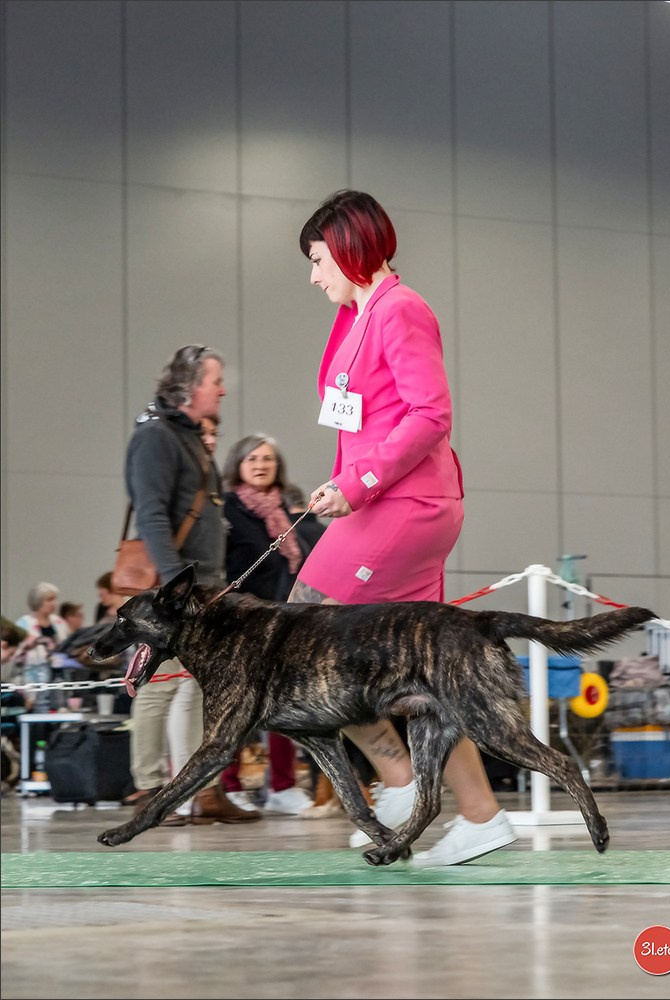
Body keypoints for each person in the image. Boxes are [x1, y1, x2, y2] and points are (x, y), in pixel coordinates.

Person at [288, 190, 518, 866]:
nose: (313, 274)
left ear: (352, 249)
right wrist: (343, 484)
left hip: (405, 506)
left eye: (318, 258)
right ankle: (480, 817)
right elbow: (358, 418)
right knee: (414, 669)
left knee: (303, 637)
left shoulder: (400, 309)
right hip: (386, 503)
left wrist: (357, 486)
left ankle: (400, 780)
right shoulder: (357, 314)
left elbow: (429, 414)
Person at [124, 344, 257, 825]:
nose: (222, 389)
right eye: (215, 380)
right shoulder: (157, 437)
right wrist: (173, 591)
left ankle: (193, 792)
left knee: (192, 690)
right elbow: (153, 515)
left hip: (196, 588)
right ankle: (170, 793)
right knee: (167, 688)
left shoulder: (182, 435)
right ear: (189, 387)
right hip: (177, 593)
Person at [218, 435, 322, 815]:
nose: (260, 465)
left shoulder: (285, 511)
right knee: (233, 709)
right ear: (238, 465)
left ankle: (282, 784)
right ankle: (229, 785)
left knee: (283, 705)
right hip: (238, 622)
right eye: (252, 459)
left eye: (267, 459)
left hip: (282, 619)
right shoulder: (228, 508)